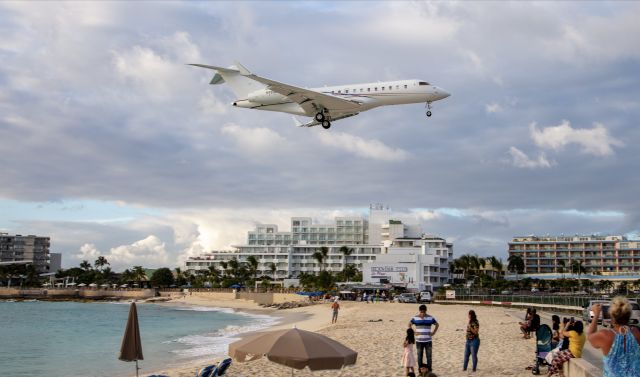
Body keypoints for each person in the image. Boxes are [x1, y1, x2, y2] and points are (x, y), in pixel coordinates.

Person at [587, 297, 640, 377]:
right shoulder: (637, 332)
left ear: (612, 316)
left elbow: (590, 336)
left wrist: (596, 315)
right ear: (629, 315)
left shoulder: (604, 335)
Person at [409, 304, 439, 372]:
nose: (422, 313)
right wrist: (414, 332)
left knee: (429, 357)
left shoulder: (430, 318)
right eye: (421, 312)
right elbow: (409, 324)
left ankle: (429, 371)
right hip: (419, 341)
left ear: (426, 311)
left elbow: (437, 324)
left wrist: (433, 332)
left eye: (424, 312)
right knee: (419, 357)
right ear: (419, 311)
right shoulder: (415, 318)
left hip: (428, 341)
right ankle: (420, 371)